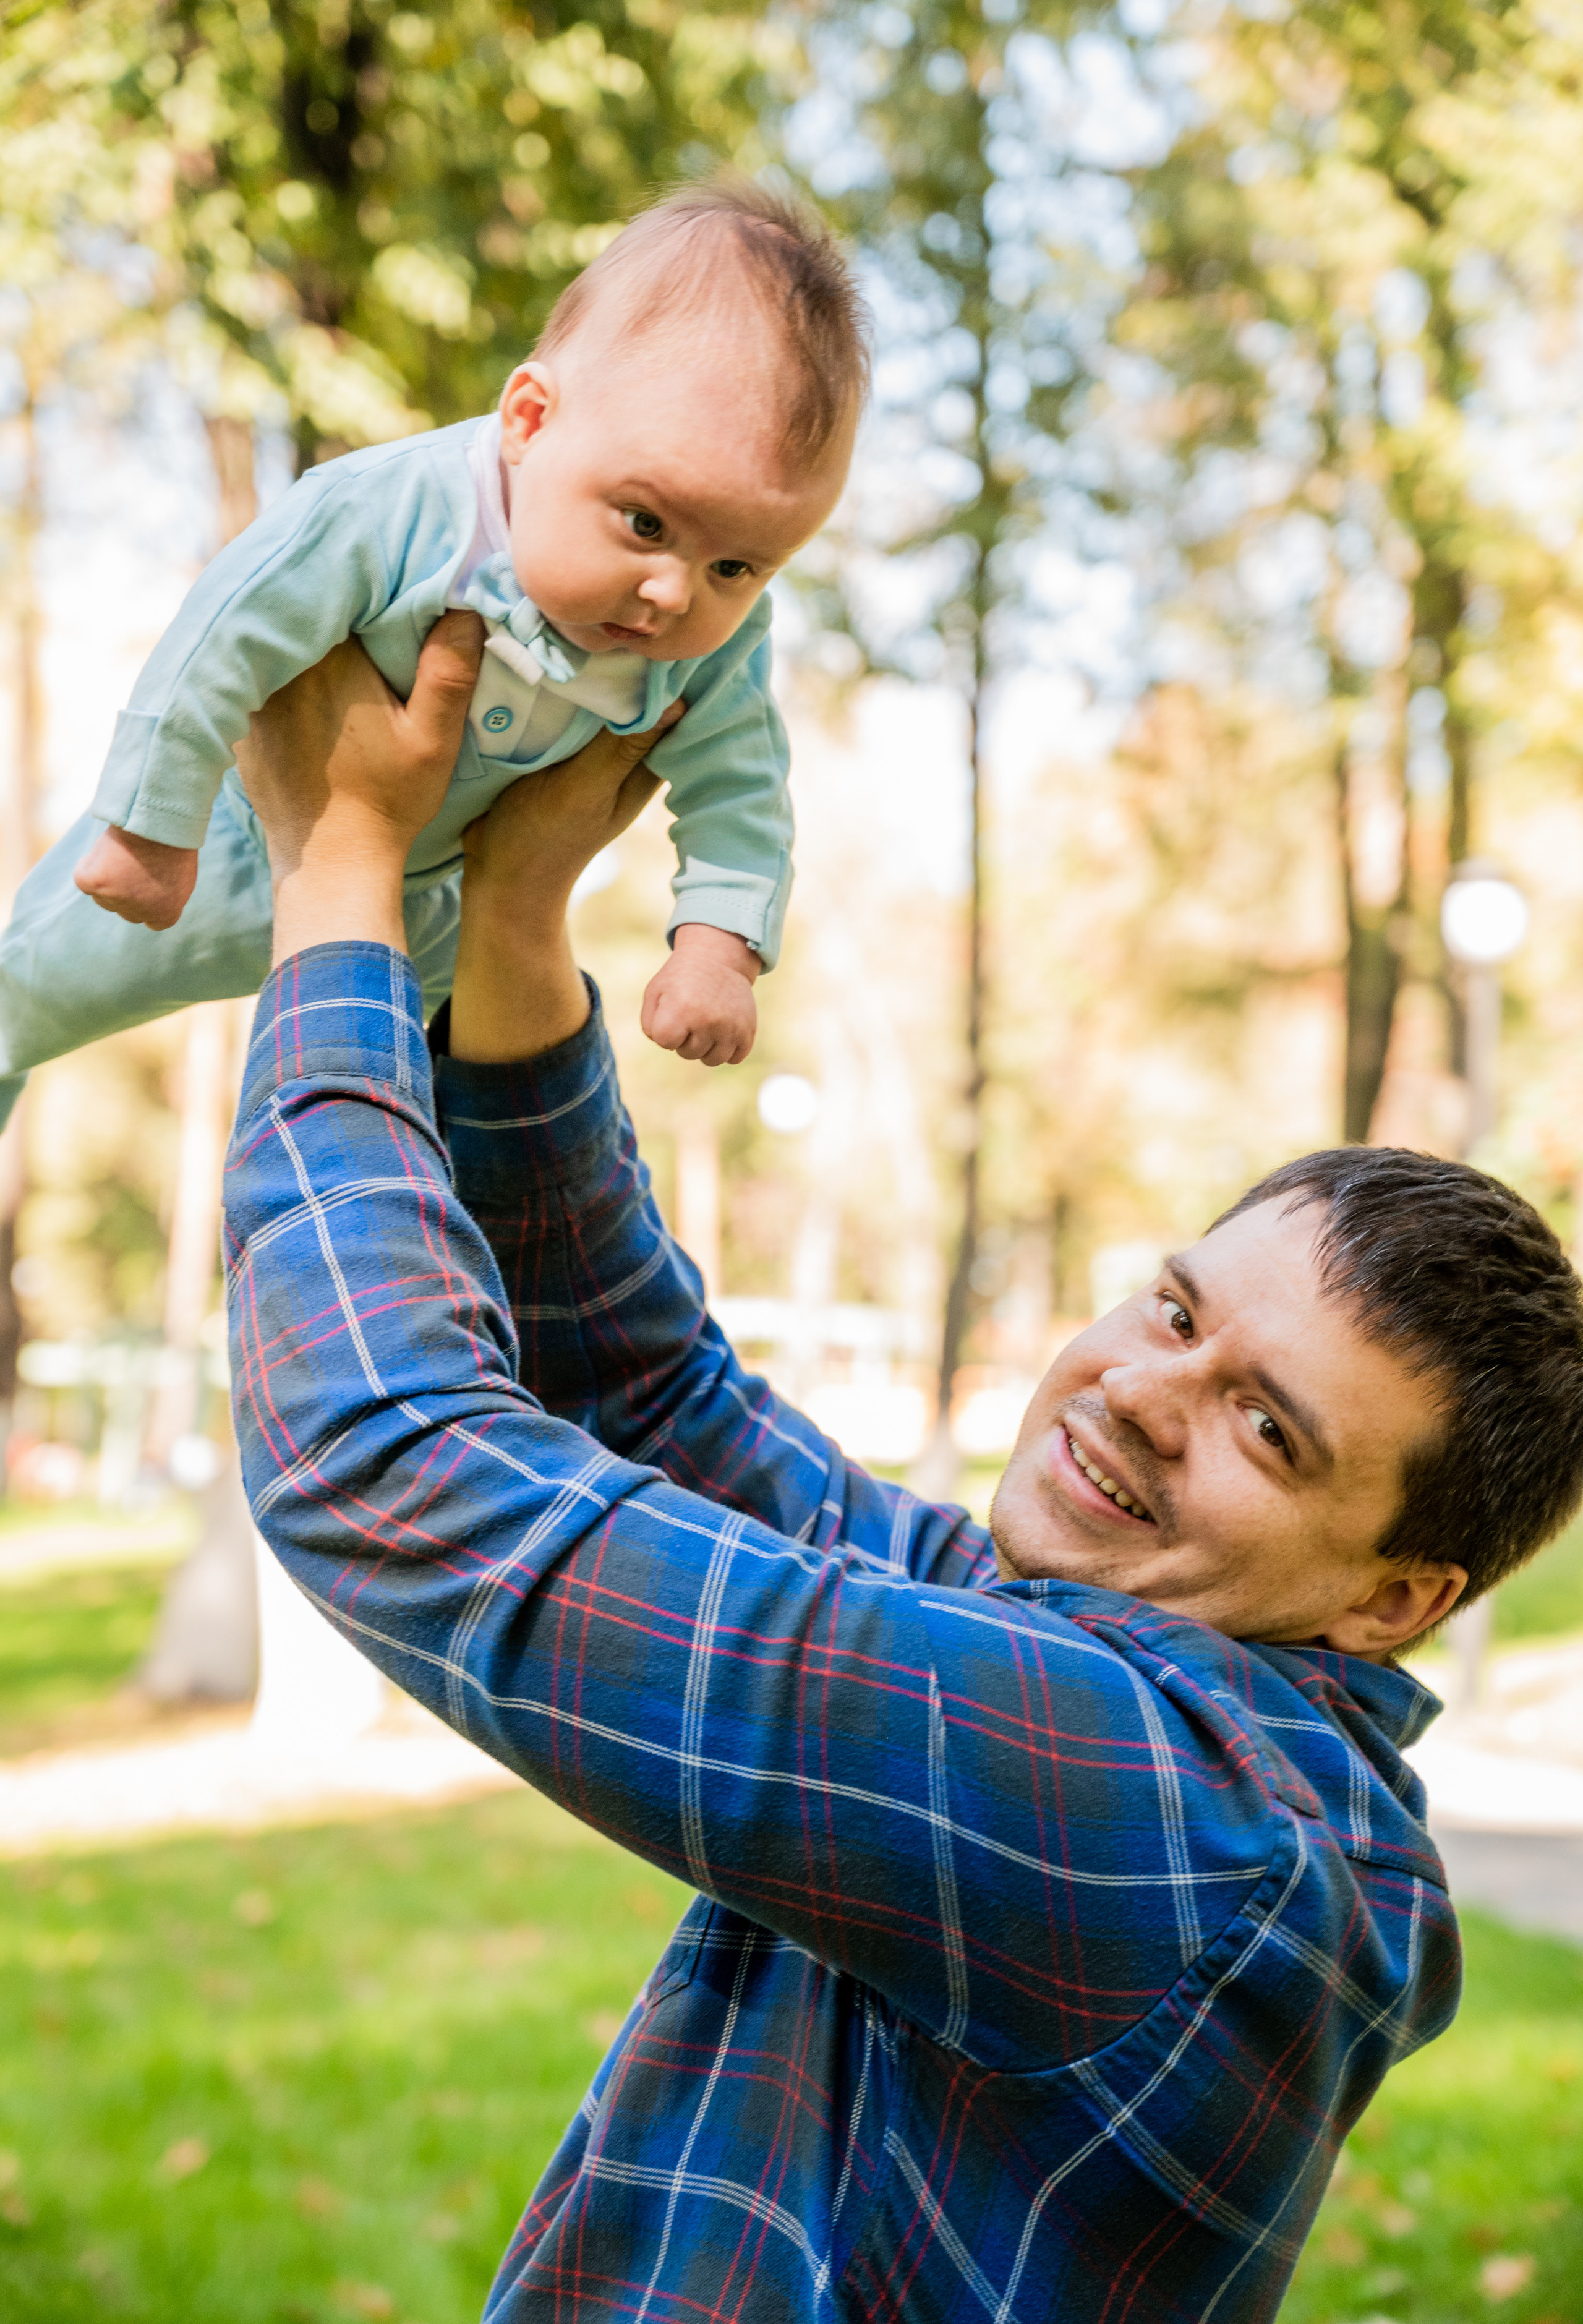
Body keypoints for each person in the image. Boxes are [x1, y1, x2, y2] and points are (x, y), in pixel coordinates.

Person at [224, 617, 1583, 2324]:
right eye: (1174, 1308)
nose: (1148, 1394)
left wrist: (337, 873)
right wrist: (513, 919)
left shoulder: (1168, 1813)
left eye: (1267, 1424)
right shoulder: (1083, 1648)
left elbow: (393, 1470)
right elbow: (649, 1390)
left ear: (1394, 1597)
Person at [0, 178, 867, 1137]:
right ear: (531, 422)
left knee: (391, 1121)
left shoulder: (722, 638)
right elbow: (224, 633)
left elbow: (743, 790)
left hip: (433, 922)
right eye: (646, 522)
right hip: (235, 843)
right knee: (26, 998)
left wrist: (719, 950)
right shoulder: (395, 510)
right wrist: (151, 821)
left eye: (737, 564)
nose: (674, 592)